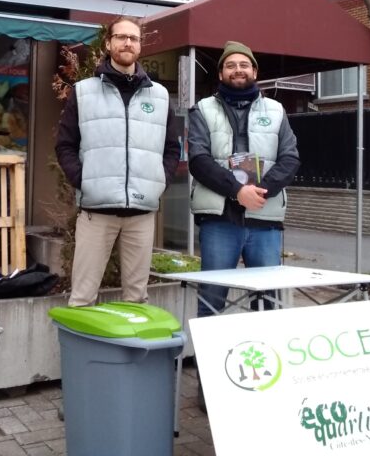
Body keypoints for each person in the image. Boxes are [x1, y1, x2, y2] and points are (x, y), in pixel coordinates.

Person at [55, 17, 181, 307]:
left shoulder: (159, 96)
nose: (127, 43)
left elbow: (172, 148)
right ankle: (83, 352)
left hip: (142, 212)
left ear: (140, 46)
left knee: (137, 298)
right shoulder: (84, 91)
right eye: (121, 37)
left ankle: (128, 353)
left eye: (134, 38)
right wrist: (84, 181)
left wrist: (157, 182)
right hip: (96, 211)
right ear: (108, 43)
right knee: (83, 297)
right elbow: (65, 144)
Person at [187, 40, 301, 318]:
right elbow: (198, 160)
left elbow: (290, 159)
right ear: (220, 74)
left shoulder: (276, 111)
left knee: (266, 301)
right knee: (211, 298)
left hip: (264, 217)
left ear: (254, 71)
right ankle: (209, 361)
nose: (237, 70)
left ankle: (264, 361)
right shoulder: (202, 109)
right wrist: (237, 191)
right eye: (230, 65)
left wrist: (259, 191)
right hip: (219, 218)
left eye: (243, 65)